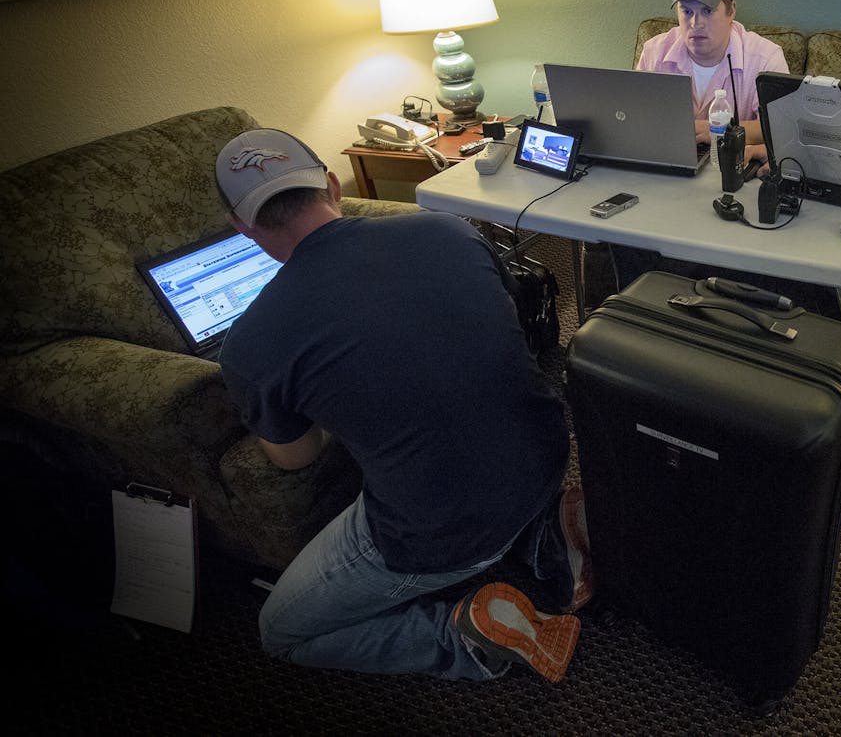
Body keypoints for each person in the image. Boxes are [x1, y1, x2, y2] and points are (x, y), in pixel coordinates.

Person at [213, 127, 593, 683]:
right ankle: (543, 530)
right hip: (548, 452)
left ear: (241, 228)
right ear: (331, 185)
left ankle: (463, 640)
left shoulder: (250, 345)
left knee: (282, 632)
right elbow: (503, 325)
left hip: (444, 528)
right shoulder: (448, 229)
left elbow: (294, 455)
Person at [636, 0, 789, 155]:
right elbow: (636, 117)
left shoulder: (765, 58)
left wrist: (720, 131)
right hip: (667, 162)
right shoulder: (654, 52)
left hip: (731, 169)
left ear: (731, 11)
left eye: (707, 11)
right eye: (687, 11)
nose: (695, 23)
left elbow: (781, 128)